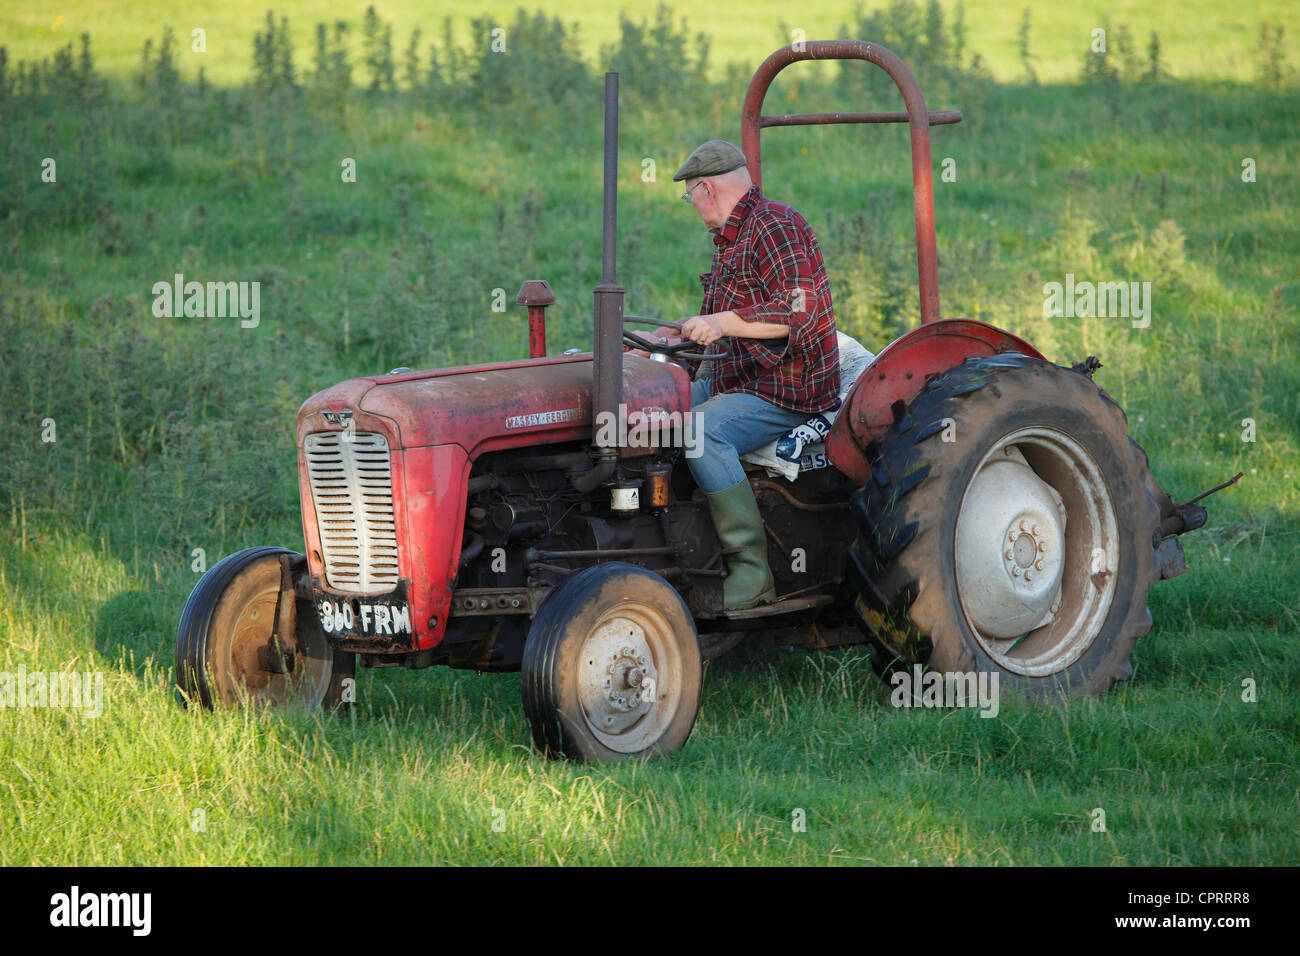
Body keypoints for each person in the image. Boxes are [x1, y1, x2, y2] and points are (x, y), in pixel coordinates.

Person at [669, 139, 840, 610]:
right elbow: (716, 326)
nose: (692, 205)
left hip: (790, 388)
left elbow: (794, 312)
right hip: (741, 378)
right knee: (656, 409)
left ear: (706, 188)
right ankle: (675, 550)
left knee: (700, 433)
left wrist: (724, 322)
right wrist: (670, 344)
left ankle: (752, 571)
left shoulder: (776, 227)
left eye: (690, 195)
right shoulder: (730, 239)